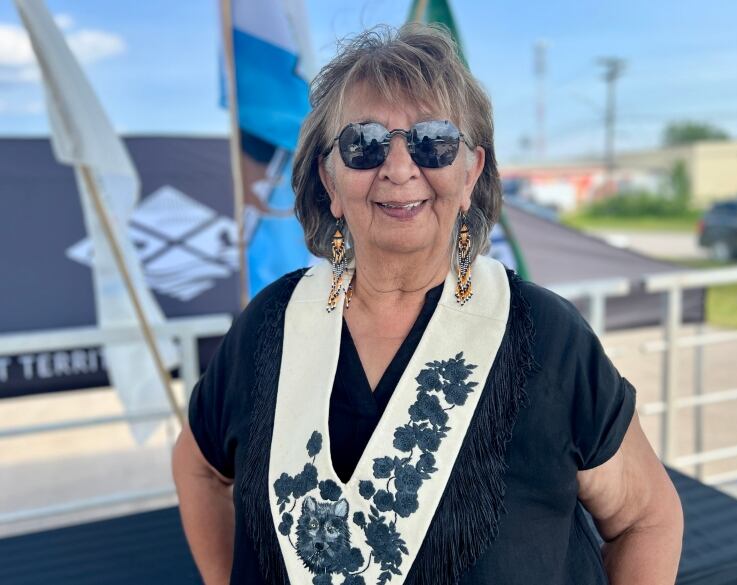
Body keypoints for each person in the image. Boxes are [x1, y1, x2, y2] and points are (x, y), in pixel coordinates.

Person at [173, 24, 683, 585]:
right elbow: (196, 467)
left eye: (434, 141)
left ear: (470, 175)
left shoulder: (547, 336)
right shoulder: (269, 326)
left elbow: (647, 518)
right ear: (330, 179)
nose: (398, 166)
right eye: (363, 143)